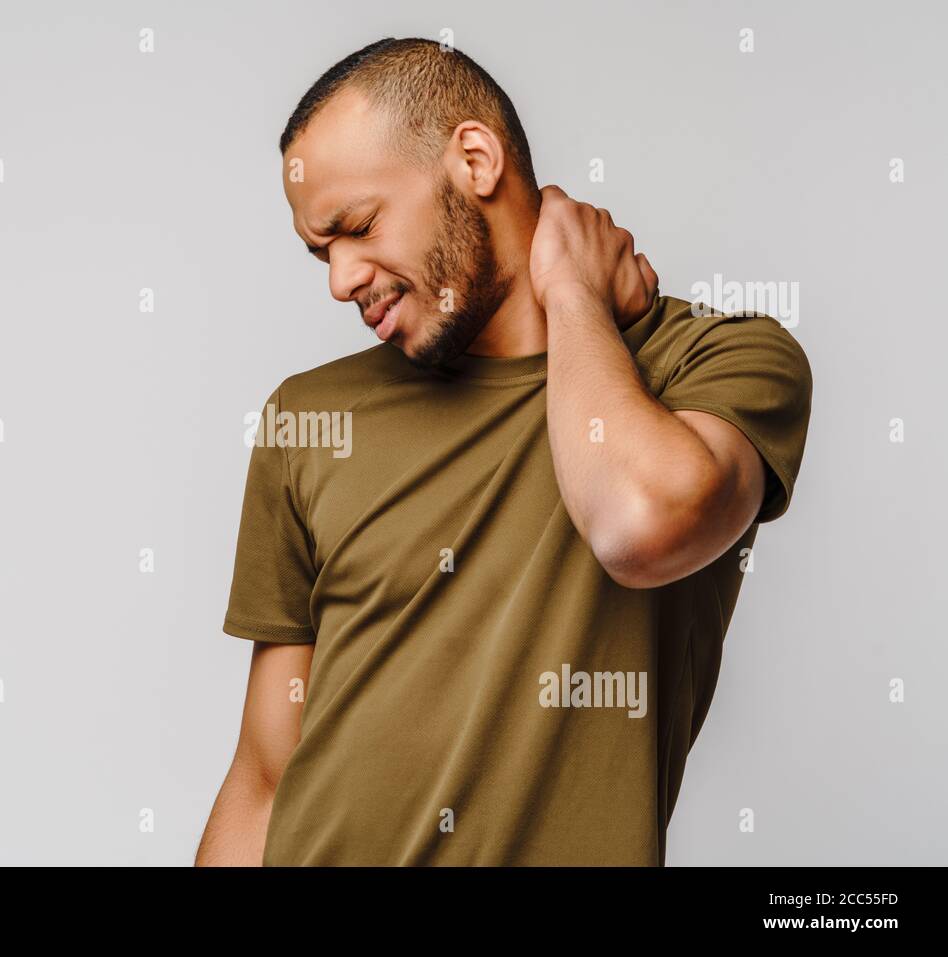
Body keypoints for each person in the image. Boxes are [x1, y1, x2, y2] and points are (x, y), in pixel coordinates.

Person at [196, 37, 812, 866]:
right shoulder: (310, 417)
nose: (340, 280)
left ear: (476, 161)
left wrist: (572, 292)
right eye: (321, 252)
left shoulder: (711, 362)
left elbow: (638, 525)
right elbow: (265, 775)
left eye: (358, 227)